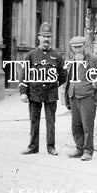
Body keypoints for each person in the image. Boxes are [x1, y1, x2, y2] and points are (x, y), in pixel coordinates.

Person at [20, 23, 67, 155]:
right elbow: (24, 74)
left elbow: (63, 75)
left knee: (51, 122)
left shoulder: (57, 56)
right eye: (44, 36)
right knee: (34, 121)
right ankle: (33, 146)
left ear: (51, 38)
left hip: (51, 94)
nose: (46, 39)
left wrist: (54, 85)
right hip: (34, 92)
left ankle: (51, 147)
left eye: (49, 37)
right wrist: (23, 92)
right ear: (39, 37)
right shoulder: (31, 55)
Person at [65, 36, 97, 161]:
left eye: (80, 47)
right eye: (75, 47)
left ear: (85, 46)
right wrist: (67, 95)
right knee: (75, 125)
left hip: (88, 97)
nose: (77, 50)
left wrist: (95, 85)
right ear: (71, 48)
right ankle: (79, 149)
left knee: (87, 125)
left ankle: (88, 151)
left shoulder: (93, 59)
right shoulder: (72, 60)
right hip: (74, 96)